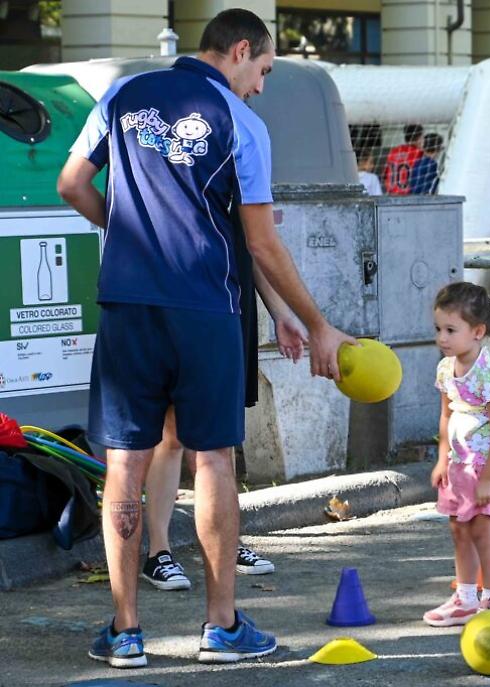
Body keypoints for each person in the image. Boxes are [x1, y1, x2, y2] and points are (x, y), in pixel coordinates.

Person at [57, 8, 356, 668]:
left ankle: (127, 630)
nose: (261, 86)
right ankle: (221, 627)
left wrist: (124, 231)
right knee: (213, 458)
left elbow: (71, 182)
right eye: (264, 71)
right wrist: (316, 322)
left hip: (129, 303)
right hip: (205, 308)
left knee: (124, 465)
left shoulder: (122, 94)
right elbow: (260, 241)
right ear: (240, 50)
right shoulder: (243, 124)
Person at [141, 247, 305, 591]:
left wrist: (280, 312)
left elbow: (257, 243)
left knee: (222, 434)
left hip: (232, 302)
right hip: (178, 297)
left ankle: (226, 545)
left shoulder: (242, 190)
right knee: (171, 431)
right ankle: (158, 552)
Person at [424, 282, 490, 627]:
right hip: (458, 466)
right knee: (459, 530)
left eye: (451, 330)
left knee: (481, 532)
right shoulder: (446, 368)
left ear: (478, 332)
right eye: (438, 329)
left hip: (486, 467)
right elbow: (446, 415)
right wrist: (441, 457)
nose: (442, 338)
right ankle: (464, 599)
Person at [383, 124, 424, 195]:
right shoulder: (419, 153)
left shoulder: (394, 151)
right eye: (422, 137)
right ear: (419, 138)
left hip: (392, 194)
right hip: (410, 195)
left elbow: (385, 177)